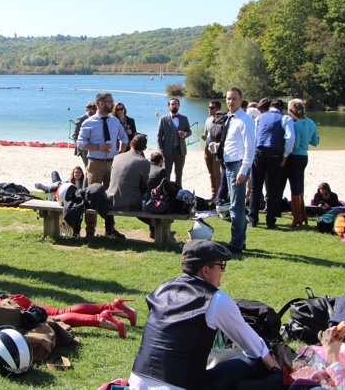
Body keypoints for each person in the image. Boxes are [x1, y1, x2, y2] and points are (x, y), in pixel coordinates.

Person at [129, 240, 280, 389]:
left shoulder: (162, 289)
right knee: (250, 362)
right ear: (206, 270)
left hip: (137, 382)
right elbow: (252, 346)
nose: (223, 271)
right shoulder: (215, 299)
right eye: (221, 265)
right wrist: (275, 368)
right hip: (180, 385)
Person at [0, 247, 135, 338]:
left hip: (4, 312)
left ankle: (101, 320)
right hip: (12, 301)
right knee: (59, 311)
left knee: (56, 320)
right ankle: (111, 307)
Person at [76, 92, 128, 238]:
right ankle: (90, 231)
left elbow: (124, 137)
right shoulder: (89, 122)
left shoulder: (114, 121)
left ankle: (110, 229)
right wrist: (98, 147)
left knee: (110, 197)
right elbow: (80, 144)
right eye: (110, 102)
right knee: (92, 196)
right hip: (95, 164)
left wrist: (120, 153)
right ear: (101, 104)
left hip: (112, 163)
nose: (113, 104)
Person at [216, 88, 255, 254]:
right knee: (235, 206)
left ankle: (236, 244)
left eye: (233, 99)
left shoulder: (244, 120)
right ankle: (241, 240)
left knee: (236, 207)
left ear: (241, 100)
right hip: (229, 165)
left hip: (238, 166)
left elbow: (250, 147)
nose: (230, 102)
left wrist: (244, 170)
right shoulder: (230, 118)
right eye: (228, 99)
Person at [249, 99, 294, 229]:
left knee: (256, 186)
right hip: (275, 153)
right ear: (282, 108)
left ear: (270, 107)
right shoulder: (285, 118)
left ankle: (253, 218)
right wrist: (285, 155)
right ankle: (270, 219)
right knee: (273, 187)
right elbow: (290, 137)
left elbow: (254, 135)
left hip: (259, 152)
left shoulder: (260, 117)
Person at [285, 99, 319, 227]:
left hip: (295, 157)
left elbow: (295, 144)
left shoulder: (295, 125)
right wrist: (306, 139)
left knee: (294, 187)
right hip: (304, 156)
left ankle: (297, 217)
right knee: (300, 186)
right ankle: (303, 214)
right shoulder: (310, 122)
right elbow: (315, 141)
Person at [107, 134, 149, 212]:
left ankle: (109, 223)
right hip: (130, 203)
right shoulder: (144, 162)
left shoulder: (117, 157)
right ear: (144, 148)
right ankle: (155, 224)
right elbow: (144, 186)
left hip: (112, 199)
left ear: (131, 143)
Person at [156, 98, 191, 187]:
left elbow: (189, 131)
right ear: (169, 106)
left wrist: (185, 134)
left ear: (179, 105)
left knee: (179, 175)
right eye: (172, 104)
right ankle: (167, 194)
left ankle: (178, 194)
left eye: (176, 104)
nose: (174, 106)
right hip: (167, 151)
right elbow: (159, 136)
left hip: (180, 151)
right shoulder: (163, 119)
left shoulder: (184, 118)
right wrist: (160, 150)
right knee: (166, 175)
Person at [202, 100, 222, 199]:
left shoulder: (222, 121)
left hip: (217, 149)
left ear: (218, 109)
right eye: (209, 107)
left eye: (212, 108)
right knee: (211, 173)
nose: (210, 109)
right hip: (207, 148)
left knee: (217, 173)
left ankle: (220, 194)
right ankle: (214, 194)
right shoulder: (207, 120)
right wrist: (204, 136)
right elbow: (205, 133)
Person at [72, 100, 97, 174]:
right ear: (87, 109)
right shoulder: (81, 119)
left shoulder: (96, 119)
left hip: (95, 147)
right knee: (89, 169)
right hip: (84, 149)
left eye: (96, 108)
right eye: (93, 108)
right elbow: (75, 135)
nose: (95, 110)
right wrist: (81, 148)